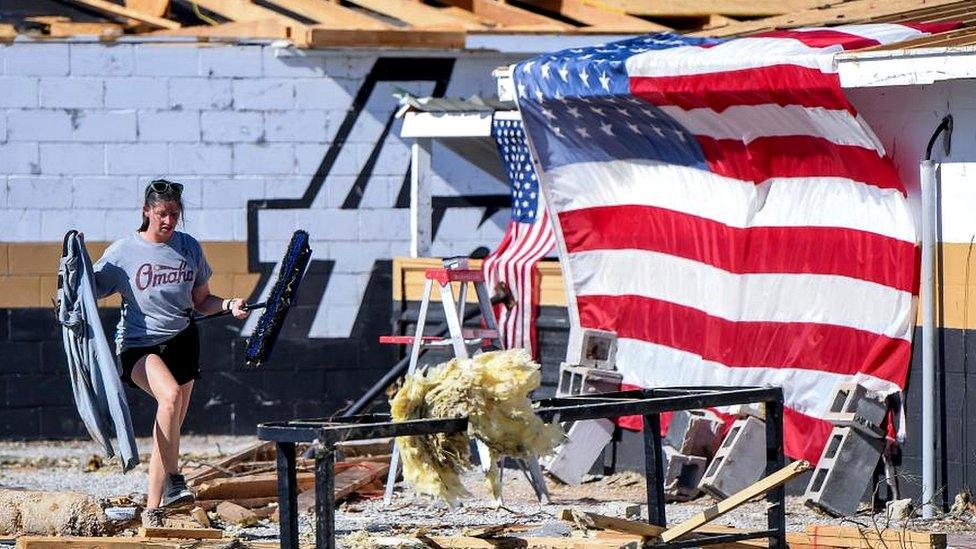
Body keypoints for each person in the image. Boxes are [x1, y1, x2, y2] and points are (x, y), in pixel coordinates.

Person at [93, 179, 250, 527]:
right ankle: (176, 482)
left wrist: (228, 304)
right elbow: (89, 291)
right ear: (146, 211)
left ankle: (153, 510)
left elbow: (202, 301)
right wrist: (69, 284)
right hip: (140, 345)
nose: (168, 221)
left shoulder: (189, 248)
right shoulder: (122, 252)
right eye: (162, 213)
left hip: (183, 340)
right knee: (170, 397)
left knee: (170, 427)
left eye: (174, 214)